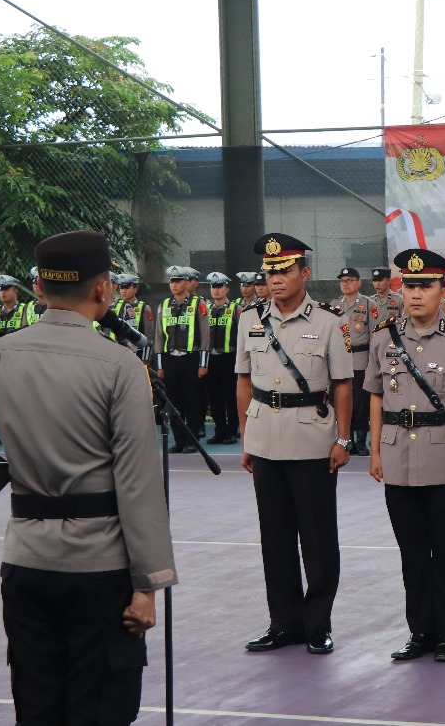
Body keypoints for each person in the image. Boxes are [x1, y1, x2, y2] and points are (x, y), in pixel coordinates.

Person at [0, 230, 176, 726]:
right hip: (100, 567)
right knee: (98, 707)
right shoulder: (121, 364)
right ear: (102, 288)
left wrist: (3, 475)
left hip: (27, 561)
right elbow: (137, 482)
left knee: (37, 704)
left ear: (38, 288)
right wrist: (149, 584)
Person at [365, 248, 445, 663]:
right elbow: (376, 396)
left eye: (425, 286)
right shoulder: (383, 337)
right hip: (397, 456)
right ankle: (420, 631)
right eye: (409, 286)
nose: (415, 294)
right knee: (412, 551)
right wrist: (375, 450)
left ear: (443, 289)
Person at [239, 233, 352, 657]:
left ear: (304, 273)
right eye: (270, 272)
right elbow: (243, 381)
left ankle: (317, 623)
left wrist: (342, 439)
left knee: (318, 540)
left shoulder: (328, 322)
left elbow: (343, 385)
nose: (275, 279)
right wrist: (247, 437)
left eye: (284, 271)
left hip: (312, 442)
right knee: (275, 539)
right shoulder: (249, 319)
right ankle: (283, 623)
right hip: (264, 439)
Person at [155, 265, 210, 451]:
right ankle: (179, 441)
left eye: (178, 281)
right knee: (173, 401)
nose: (174, 285)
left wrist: (203, 364)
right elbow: (159, 336)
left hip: (191, 358)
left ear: (186, 283)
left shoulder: (198, 304)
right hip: (170, 359)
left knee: (193, 400)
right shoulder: (164, 305)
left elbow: (205, 336)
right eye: (172, 281)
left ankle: (192, 440)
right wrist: (160, 365)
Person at [334, 266, 379, 455]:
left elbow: (375, 335)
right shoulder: (335, 305)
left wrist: (373, 362)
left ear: (359, 283)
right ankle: (348, 439)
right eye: (343, 281)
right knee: (343, 399)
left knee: (361, 401)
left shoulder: (368, 304)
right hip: (340, 360)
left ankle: (361, 441)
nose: (346, 284)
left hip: (361, 359)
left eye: (350, 280)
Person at [204, 273, 241, 445]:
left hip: (229, 358)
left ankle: (232, 431)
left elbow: (241, 333)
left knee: (231, 397)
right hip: (211, 358)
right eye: (213, 287)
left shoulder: (235, 308)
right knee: (214, 397)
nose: (216, 290)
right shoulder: (206, 309)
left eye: (220, 287)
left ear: (227, 289)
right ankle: (219, 430)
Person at [113, 273, 155, 363]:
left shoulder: (144, 307)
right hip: (118, 352)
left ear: (135, 289)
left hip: (137, 352)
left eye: (127, 288)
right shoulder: (116, 306)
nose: (124, 291)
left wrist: (145, 358)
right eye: (121, 288)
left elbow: (149, 335)